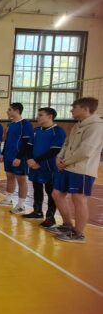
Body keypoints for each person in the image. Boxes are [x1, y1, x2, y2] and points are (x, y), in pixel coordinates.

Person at [49, 97, 103, 243]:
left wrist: (65, 162)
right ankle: (67, 225)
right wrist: (59, 157)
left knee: (78, 199)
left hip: (82, 169)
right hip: (67, 167)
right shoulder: (78, 125)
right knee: (57, 194)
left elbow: (86, 151)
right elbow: (66, 144)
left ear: (85, 109)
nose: (71, 110)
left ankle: (78, 234)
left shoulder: (96, 126)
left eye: (74, 107)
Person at [22, 108, 66, 228]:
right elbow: (29, 147)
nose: (38, 117)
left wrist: (36, 160)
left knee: (50, 190)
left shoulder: (58, 131)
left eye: (41, 115)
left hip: (49, 166)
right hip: (34, 165)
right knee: (36, 188)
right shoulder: (36, 131)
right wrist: (30, 159)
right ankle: (37, 211)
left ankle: (50, 218)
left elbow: (55, 150)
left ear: (50, 116)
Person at [0, 103, 33, 214]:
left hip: (19, 157)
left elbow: (26, 143)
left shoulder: (25, 124)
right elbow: (7, 140)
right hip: (8, 155)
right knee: (9, 177)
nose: (7, 112)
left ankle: (21, 205)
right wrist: (3, 153)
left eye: (9, 110)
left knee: (21, 180)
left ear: (16, 111)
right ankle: (8, 199)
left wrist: (19, 157)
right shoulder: (10, 124)